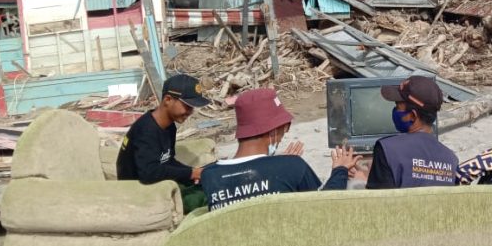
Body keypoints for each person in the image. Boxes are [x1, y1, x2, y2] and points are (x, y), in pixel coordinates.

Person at [200, 88, 360, 212]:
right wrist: (340, 169)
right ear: (272, 131)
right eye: (283, 131)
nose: (280, 137)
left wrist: (278, 163)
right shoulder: (292, 167)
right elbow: (325, 207)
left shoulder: (209, 175)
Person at [116, 74, 211, 212]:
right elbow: (149, 173)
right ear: (168, 100)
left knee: (207, 186)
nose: (190, 112)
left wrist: (196, 174)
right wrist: (191, 173)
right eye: (187, 106)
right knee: (203, 199)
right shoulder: (146, 130)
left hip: (157, 185)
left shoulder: (169, 126)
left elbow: (167, 161)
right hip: (138, 193)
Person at [366, 76, 458, 189]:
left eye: (397, 106)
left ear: (412, 116)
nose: (395, 110)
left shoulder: (387, 149)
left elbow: (378, 203)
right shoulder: (451, 159)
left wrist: (364, 179)